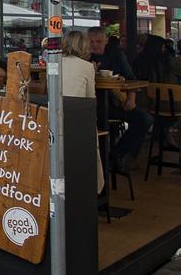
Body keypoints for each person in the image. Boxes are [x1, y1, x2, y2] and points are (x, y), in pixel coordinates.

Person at [87, 27, 149, 172]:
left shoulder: (116, 54)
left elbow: (131, 78)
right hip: (93, 106)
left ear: (106, 41)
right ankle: (100, 161)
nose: (95, 45)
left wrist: (131, 98)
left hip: (116, 103)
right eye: (91, 41)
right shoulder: (83, 56)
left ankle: (116, 154)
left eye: (99, 41)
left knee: (145, 120)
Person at [62, 31, 103, 194]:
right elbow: (90, 99)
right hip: (79, 121)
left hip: (58, 119)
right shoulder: (87, 67)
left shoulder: (54, 63)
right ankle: (94, 188)